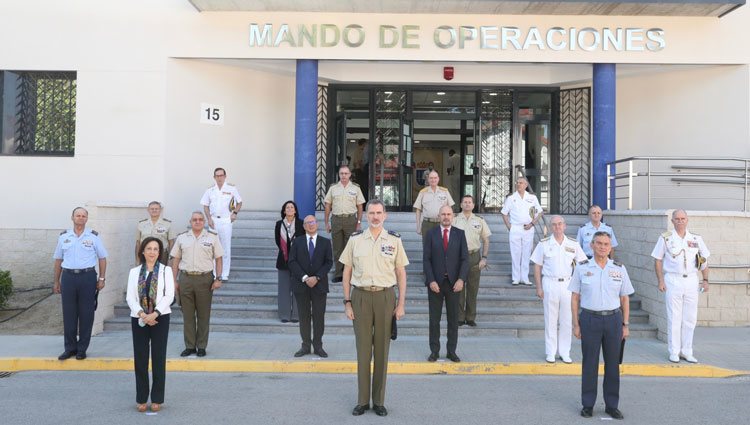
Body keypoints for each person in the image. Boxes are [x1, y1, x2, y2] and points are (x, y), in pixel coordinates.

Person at [340, 199, 408, 417]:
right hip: (360, 297)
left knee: (381, 351)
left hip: (385, 296)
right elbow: (347, 272)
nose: (375, 216)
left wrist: (401, 303)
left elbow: (401, 274)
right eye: (371, 213)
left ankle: (378, 401)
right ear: (366, 215)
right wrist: (347, 302)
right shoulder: (355, 240)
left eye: (379, 212)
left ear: (385, 215)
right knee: (362, 351)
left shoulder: (394, 240)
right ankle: (362, 401)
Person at [570, 232, 633, 420]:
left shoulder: (619, 269)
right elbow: (574, 297)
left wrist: (626, 324)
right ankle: (588, 404)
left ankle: (611, 405)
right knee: (589, 363)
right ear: (592, 245)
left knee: (612, 364)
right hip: (590, 319)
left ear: (610, 247)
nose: (603, 247)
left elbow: (625, 298)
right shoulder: (581, 268)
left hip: (614, 320)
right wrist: (576, 324)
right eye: (599, 243)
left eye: (606, 244)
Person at [651, 209, 710, 363]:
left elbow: (703, 260)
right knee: (674, 318)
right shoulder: (666, 238)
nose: (680, 221)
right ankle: (674, 351)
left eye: (683, 218)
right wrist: (661, 280)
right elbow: (658, 259)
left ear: (687, 220)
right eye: (677, 219)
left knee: (690, 318)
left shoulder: (696, 239)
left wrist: (706, 279)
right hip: (673, 280)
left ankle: (687, 351)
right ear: (672, 221)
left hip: (691, 280)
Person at [126, 237, 175, 413]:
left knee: (158, 357)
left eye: (155, 249)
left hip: (160, 318)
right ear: (143, 251)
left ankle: (157, 398)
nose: (152, 252)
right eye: (149, 248)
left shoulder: (166, 270)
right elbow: (130, 297)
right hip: (138, 317)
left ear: (159, 252)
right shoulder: (134, 272)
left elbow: (169, 295)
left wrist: (155, 314)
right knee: (140, 358)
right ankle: (141, 398)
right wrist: (142, 314)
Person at [53, 207, 108, 361]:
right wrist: (56, 281)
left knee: (86, 314)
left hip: (88, 277)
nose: (80, 218)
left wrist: (102, 279)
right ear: (72, 217)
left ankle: (82, 349)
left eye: (84, 216)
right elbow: (58, 260)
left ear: (86, 219)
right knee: (69, 314)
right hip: (68, 277)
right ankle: (69, 348)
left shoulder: (94, 237)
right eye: (78, 215)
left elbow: (102, 258)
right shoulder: (64, 237)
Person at [531, 215, 587, 363]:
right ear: (550, 227)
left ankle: (564, 352)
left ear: (565, 226)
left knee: (567, 320)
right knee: (550, 319)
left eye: (560, 224)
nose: (557, 227)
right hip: (550, 283)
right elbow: (537, 266)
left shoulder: (573, 244)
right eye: (554, 225)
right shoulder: (544, 244)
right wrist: (539, 287)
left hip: (568, 284)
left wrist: (580, 287)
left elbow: (582, 264)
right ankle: (550, 352)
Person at [170, 211, 223, 357]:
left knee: (203, 315)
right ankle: (190, 346)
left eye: (200, 219)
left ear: (204, 222)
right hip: (186, 278)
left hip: (204, 279)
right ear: (190, 221)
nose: (198, 222)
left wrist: (218, 278)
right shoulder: (182, 238)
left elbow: (219, 259)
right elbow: (175, 260)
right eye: (195, 219)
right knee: (187, 315)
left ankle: (201, 346)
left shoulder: (212, 238)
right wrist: (174, 280)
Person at [423, 205, 469, 363]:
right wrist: (431, 280)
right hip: (435, 284)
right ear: (439, 216)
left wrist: (461, 279)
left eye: (449, 214)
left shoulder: (460, 234)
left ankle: (451, 351)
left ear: (453, 216)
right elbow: (426, 260)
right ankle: (434, 351)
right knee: (434, 320)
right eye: (443, 214)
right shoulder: (430, 234)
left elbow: (465, 259)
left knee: (453, 320)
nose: (446, 217)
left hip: (454, 284)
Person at [288, 215, 333, 358]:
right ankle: (305, 346)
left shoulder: (326, 242)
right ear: (304, 226)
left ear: (317, 223)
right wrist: (305, 278)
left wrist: (317, 277)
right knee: (304, 316)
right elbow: (292, 262)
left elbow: (328, 262)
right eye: (307, 223)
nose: (310, 224)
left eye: (312, 222)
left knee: (319, 316)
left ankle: (318, 346)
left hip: (320, 286)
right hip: (301, 285)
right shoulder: (297, 242)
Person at [452, 195, 491, 327]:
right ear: (461, 204)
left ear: (473, 205)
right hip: (458, 257)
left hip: (474, 256)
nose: (467, 204)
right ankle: (459, 317)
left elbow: (486, 240)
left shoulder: (479, 220)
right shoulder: (454, 220)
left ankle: (470, 317)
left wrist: (484, 258)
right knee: (459, 287)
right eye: (465, 202)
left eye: (470, 202)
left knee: (473, 289)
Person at [324, 164, 365, 283]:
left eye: (346, 173)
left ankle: (350, 274)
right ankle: (338, 273)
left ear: (350, 174)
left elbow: (360, 206)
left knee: (351, 247)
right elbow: (328, 205)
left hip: (350, 220)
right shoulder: (333, 188)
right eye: (341, 173)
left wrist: (358, 222)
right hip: (336, 220)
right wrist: (327, 222)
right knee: (337, 248)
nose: (344, 176)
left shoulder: (356, 188)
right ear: (339, 174)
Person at [200, 167, 242, 281]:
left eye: (221, 175)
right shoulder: (210, 190)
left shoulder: (231, 188)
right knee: (212, 246)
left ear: (225, 176)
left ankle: (224, 273)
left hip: (226, 220)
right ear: (214, 177)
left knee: (225, 246)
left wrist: (235, 214)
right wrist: (208, 218)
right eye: (217, 176)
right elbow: (205, 205)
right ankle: (214, 272)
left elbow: (239, 202)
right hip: (213, 220)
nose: (219, 178)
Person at [501, 177, 542, 285]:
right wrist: (509, 226)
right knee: (515, 253)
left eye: (521, 183)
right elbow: (504, 213)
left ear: (526, 185)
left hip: (529, 227)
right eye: (517, 183)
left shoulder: (532, 198)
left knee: (526, 252)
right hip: (515, 227)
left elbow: (539, 212)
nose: (518, 184)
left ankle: (525, 277)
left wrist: (532, 223)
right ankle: (516, 278)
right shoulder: (511, 198)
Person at [274, 200, 305, 323]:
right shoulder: (278, 224)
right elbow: (278, 241)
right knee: (284, 289)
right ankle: (284, 315)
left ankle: (297, 315)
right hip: (283, 260)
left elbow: (303, 241)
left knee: (297, 288)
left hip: (298, 261)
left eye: (292, 207)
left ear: (295, 210)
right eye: (287, 207)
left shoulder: (301, 223)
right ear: (284, 210)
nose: (290, 209)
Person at [414, 170, 455, 241]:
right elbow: (418, 209)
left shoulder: (445, 191)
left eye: (435, 178)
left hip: (442, 223)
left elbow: (450, 209)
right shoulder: (423, 192)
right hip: (427, 223)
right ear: (428, 179)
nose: (433, 180)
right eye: (431, 178)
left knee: (442, 247)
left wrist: (451, 223)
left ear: (438, 179)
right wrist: (418, 226)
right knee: (427, 247)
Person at [135, 201, 177, 265]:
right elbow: (138, 243)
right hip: (145, 254)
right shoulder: (141, 224)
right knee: (145, 274)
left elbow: (171, 242)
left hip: (162, 254)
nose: (154, 210)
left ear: (160, 210)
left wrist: (170, 259)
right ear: (148, 210)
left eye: (156, 209)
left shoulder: (167, 224)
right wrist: (138, 259)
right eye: (152, 209)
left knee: (160, 274)